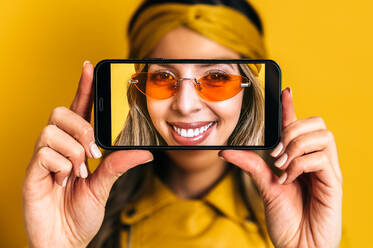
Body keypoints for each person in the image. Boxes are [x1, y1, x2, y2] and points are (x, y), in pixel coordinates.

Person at [22, 0, 343, 247]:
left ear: (247, 91)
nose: (186, 106)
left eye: (216, 76)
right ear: (141, 87)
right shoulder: (88, 216)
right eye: (163, 76)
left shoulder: (301, 216)